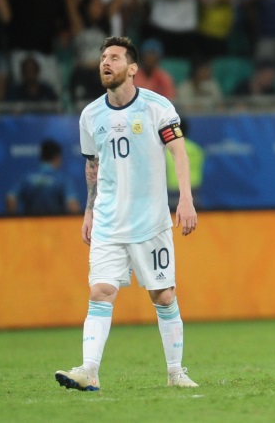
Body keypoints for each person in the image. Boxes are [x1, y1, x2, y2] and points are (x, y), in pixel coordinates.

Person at [55, 36, 199, 391]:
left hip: (150, 221)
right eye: (103, 57)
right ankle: (89, 370)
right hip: (107, 221)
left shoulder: (157, 107)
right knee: (101, 291)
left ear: (132, 68)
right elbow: (93, 167)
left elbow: (179, 154)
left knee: (163, 296)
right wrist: (89, 211)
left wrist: (185, 199)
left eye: (115, 58)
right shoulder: (90, 115)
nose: (106, 62)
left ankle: (175, 373)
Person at [6, 139, 79, 215]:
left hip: (30, 225)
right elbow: (72, 205)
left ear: (41, 156)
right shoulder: (63, 179)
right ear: (56, 157)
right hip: (55, 225)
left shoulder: (27, 178)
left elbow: (10, 198)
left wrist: (13, 221)